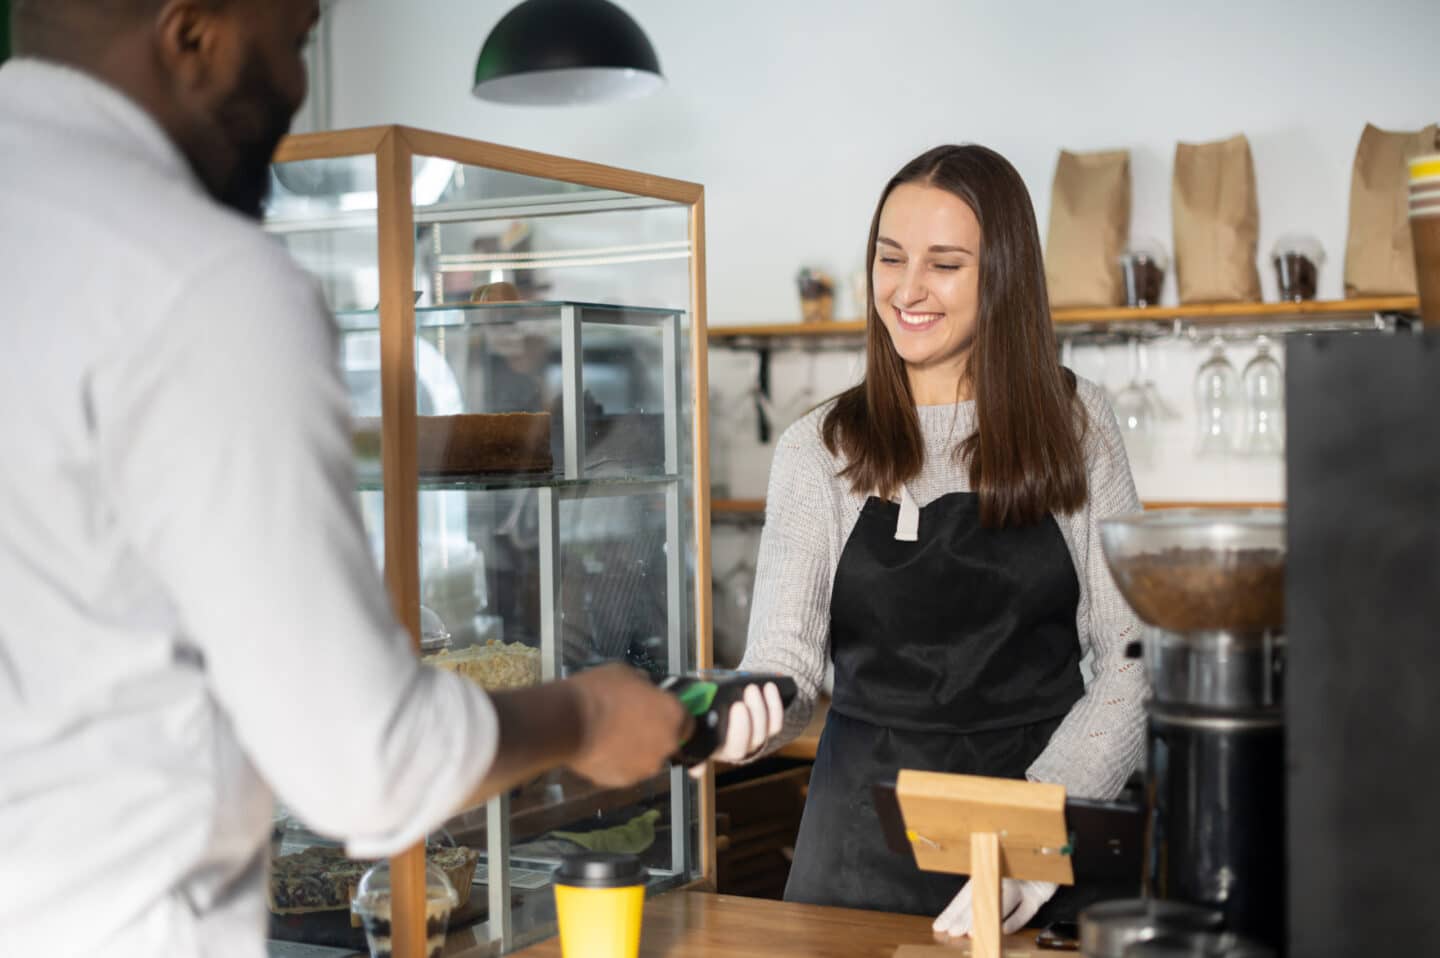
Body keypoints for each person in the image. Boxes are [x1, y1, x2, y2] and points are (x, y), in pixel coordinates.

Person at [0, 2, 690, 955]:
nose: (296, 87)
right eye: (293, 41)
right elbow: (364, 762)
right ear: (192, 30)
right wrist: (584, 712)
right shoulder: (202, 284)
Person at [717, 144, 1149, 936]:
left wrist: (1029, 832)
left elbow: (1133, 655)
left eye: (943, 264)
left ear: (1005, 276)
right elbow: (784, 663)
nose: (906, 290)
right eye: (890, 258)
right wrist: (737, 717)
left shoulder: (1078, 426)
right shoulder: (820, 448)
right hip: (856, 852)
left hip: (1036, 840)